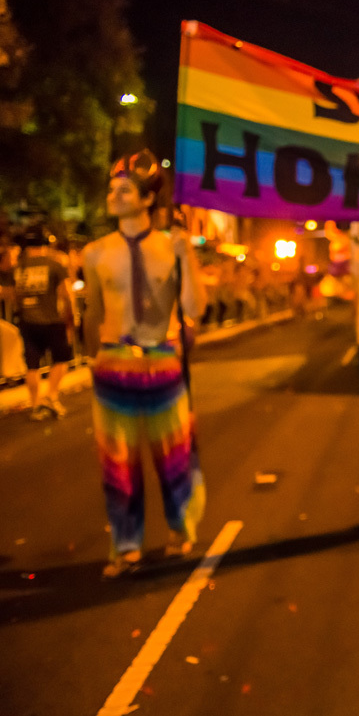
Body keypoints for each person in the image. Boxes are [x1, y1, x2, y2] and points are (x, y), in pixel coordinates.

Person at [82, 150, 208, 579]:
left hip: (162, 362)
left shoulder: (170, 246)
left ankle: (181, 530)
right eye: (111, 188)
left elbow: (195, 306)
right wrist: (91, 360)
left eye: (124, 190)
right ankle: (127, 544)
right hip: (114, 366)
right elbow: (93, 315)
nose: (113, 196)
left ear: (147, 199)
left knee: (174, 459)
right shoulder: (95, 253)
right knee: (116, 466)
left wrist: (186, 255)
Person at [12, 225, 76, 419]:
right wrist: (72, 318)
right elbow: (67, 294)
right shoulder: (54, 264)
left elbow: (17, 294)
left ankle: (35, 405)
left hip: (27, 322)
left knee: (32, 366)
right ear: (46, 244)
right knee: (62, 359)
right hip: (51, 321)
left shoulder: (20, 266)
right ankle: (51, 395)